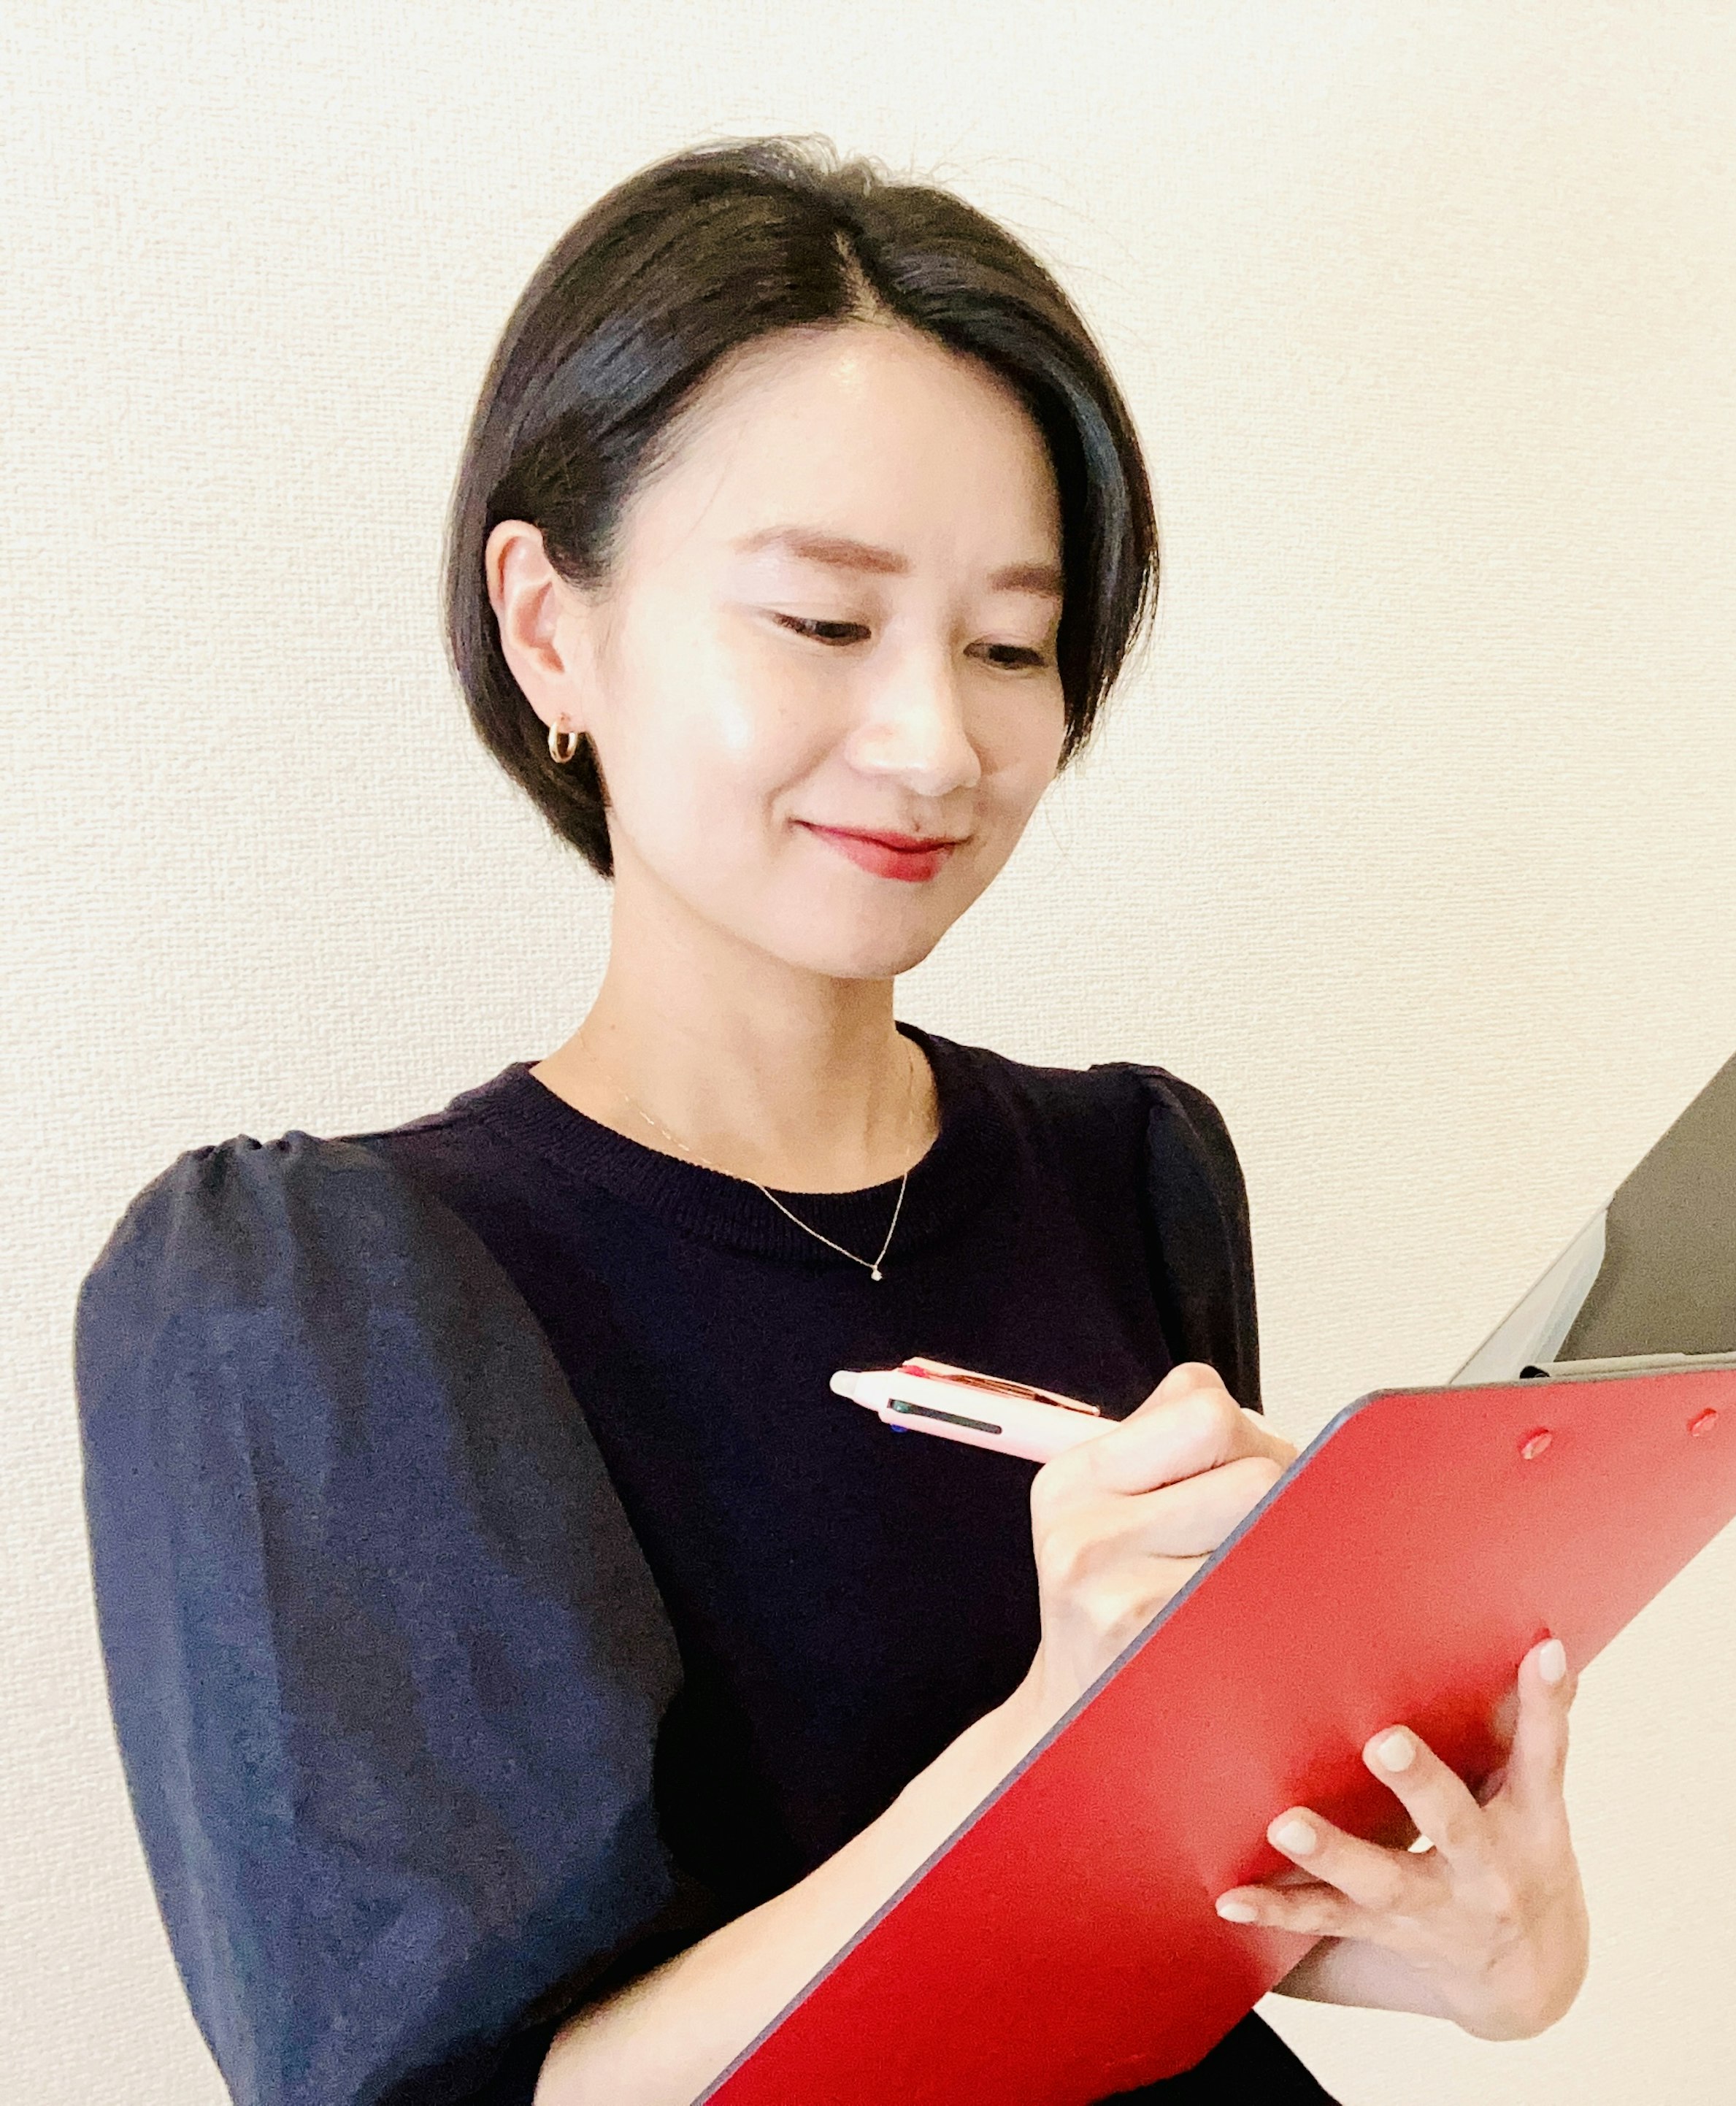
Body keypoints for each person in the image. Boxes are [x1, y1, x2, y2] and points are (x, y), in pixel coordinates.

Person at [72, 139, 1590, 2106]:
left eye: (1010, 646)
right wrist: (1038, 1748)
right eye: (818, 622)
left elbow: (1169, 1905)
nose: (935, 742)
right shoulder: (312, 1313)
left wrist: (1480, 1942)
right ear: (552, 626)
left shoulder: (1128, 1173)